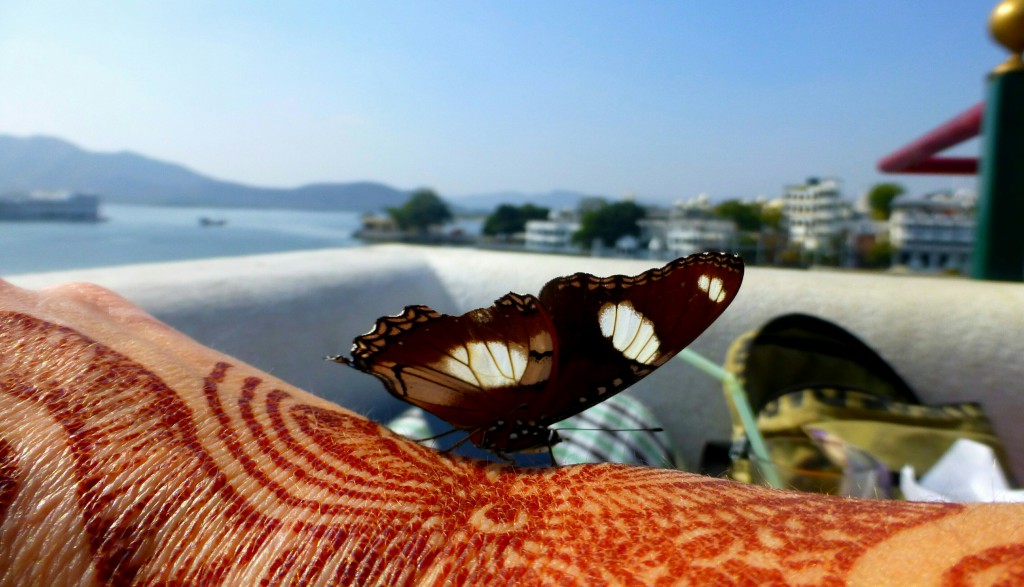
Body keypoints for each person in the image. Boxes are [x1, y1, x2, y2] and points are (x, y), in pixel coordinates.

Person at [0, 277, 1021, 586]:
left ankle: (481, 444)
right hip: (489, 425)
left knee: (577, 419)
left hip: (461, 441)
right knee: (600, 417)